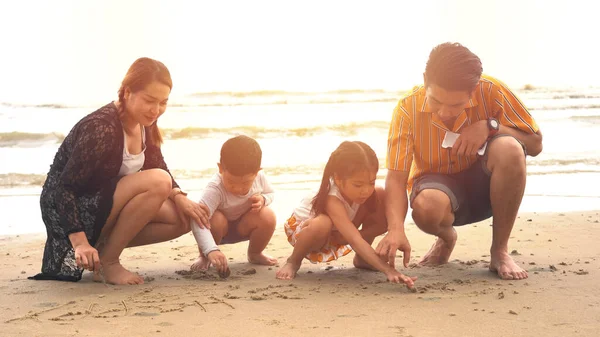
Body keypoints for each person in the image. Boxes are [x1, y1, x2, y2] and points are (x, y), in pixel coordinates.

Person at [31, 57, 207, 285]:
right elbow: (63, 190)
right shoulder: (101, 128)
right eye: (150, 100)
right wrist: (80, 242)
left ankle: (105, 249)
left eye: (163, 102)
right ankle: (109, 262)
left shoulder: (145, 123)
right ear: (127, 92)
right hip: (72, 214)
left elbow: (157, 163)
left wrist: (180, 197)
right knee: (158, 182)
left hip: (105, 207)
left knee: (181, 219)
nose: (156, 110)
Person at [377, 42, 543, 280]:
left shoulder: (493, 90)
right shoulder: (407, 109)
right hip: (437, 192)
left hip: (489, 190)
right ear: (425, 80)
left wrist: (490, 127)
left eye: (455, 104)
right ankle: (447, 238)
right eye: (436, 101)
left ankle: (499, 252)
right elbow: (395, 177)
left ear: (474, 89)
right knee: (426, 207)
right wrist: (396, 230)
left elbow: (535, 144)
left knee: (510, 147)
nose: (444, 112)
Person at [275, 141, 416, 289]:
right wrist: (388, 270)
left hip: (341, 230)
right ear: (338, 179)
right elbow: (354, 240)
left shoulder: (365, 193)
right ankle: (293, 261)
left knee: (381, 194)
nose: (366, 191)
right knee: (322, 223)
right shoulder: (332, 198)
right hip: (309, 233)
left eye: (371, 182)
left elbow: (356, 235)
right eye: (358, 185)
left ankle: (363, 259)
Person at [190, 135, 278, 274]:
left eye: (245, 183)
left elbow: (270, 193)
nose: (237, 188)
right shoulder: (215, 188)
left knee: (268, 215)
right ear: (220, 169)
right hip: (219, 230)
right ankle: (204, 257)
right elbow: (198, 220)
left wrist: (263, 199)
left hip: (244, 227)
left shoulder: (260, 178)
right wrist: (210, 250)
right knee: (215, 218)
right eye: (231, 182)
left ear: (257, 173)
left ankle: (255, 254)